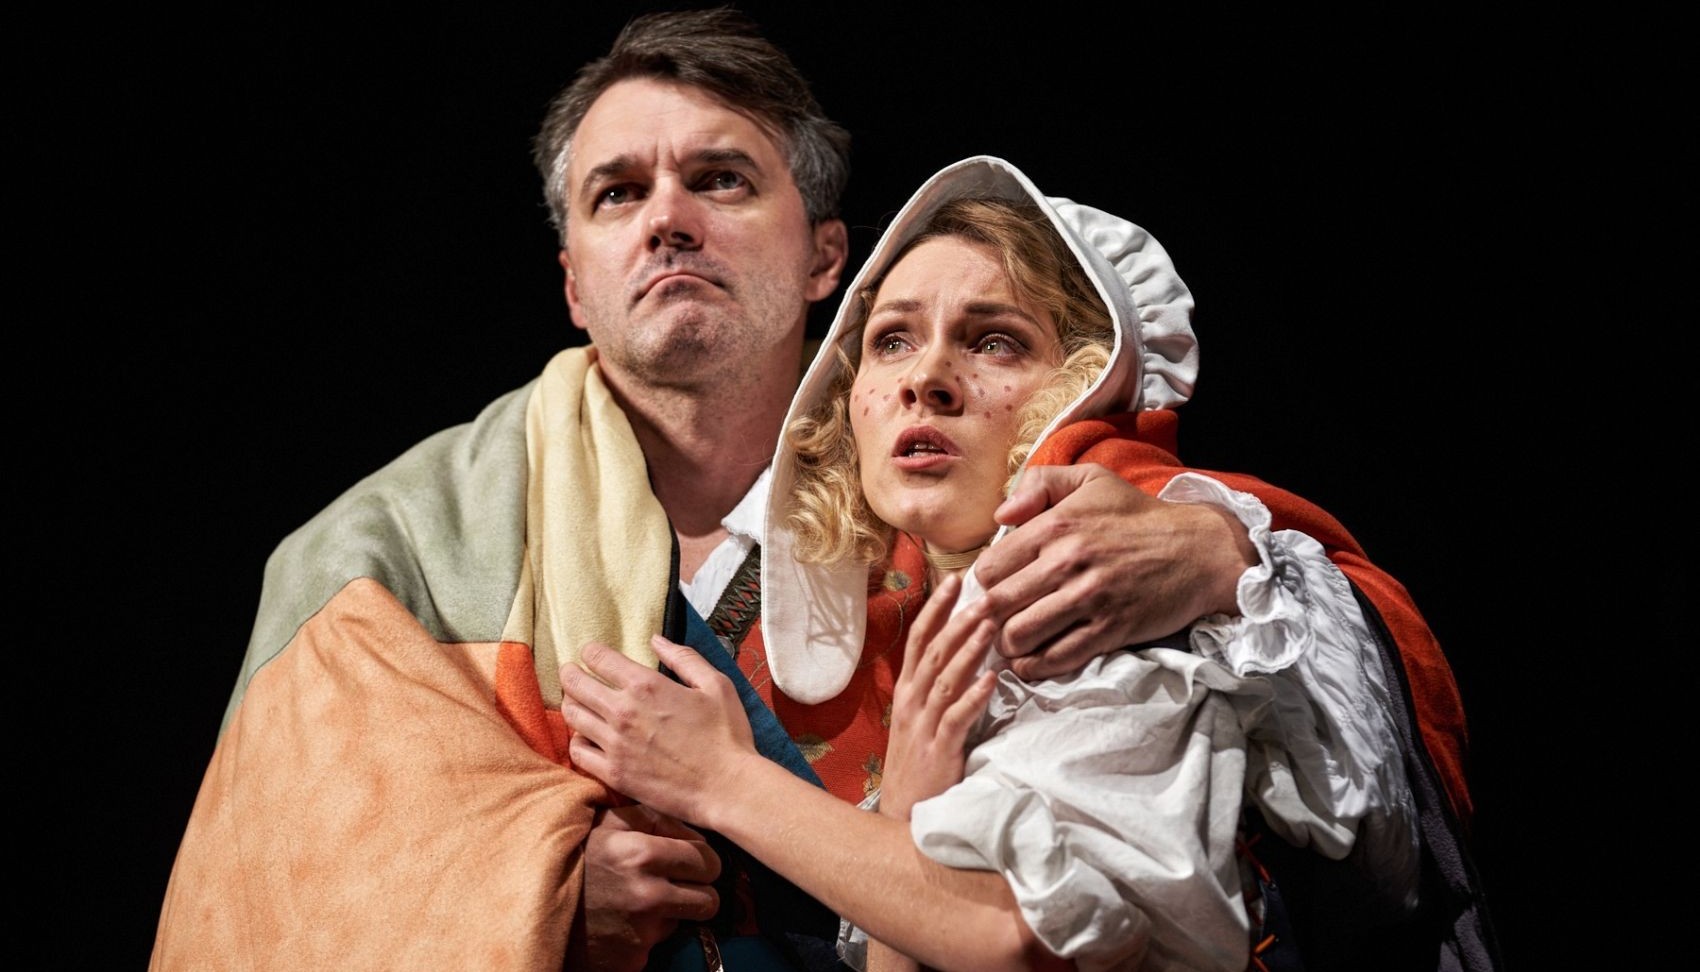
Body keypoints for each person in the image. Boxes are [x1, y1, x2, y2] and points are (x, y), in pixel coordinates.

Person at [149, 8, 1490, 972]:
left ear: (824, 258)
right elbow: (260, 903)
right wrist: (532, 899)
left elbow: (1358, 796)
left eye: (720, 179)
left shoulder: (995, 494)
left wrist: (1221, 558)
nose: (666, 217)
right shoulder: (385, 553)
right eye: (617, 194)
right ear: (572, 284)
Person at [560, 157, 1488, 971]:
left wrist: (723, 780)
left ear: (1084, 380)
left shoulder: (1112, 578)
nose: (926, 377)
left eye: (993, 340)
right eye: (892, 340)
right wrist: (904, 814)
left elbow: (1024, 935)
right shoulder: (909, 617)